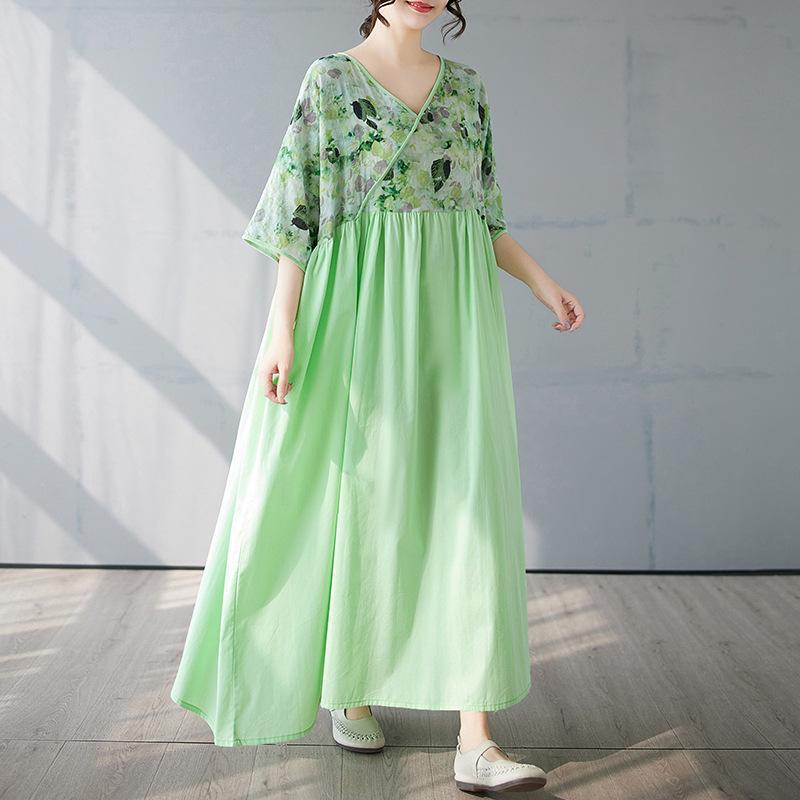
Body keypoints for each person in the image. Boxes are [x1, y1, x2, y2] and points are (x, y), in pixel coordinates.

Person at [170, 0, 584, 793]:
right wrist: (283, 329)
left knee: (467, 503)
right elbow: (296, 212)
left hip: (453, 313)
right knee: (358, 495)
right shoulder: (329, 79)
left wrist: (542, 283)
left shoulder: (467, 90)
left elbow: (483, 215)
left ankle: (476, 740)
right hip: (354, 307)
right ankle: (349, 688)